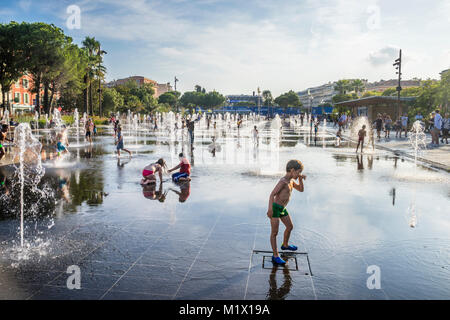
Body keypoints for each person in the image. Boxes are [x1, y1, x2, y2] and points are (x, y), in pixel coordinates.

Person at [267, 160, 306, 265]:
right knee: (274, 232)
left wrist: (301, 180)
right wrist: (270, 209)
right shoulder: (283, 182)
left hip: (282, 208)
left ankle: (285, 244)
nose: (299, 174)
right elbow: (272, 194)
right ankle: (275, 255)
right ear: (292, 170)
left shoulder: (292, 181)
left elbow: (301, 189)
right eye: (298, 172)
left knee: (290, 226)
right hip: (275, 208)